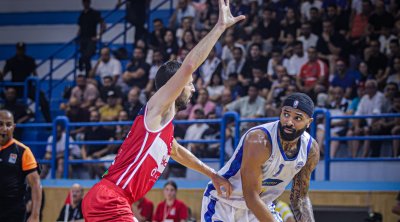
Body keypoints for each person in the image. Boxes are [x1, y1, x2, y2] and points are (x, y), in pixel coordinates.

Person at [82, 2, 245, 221]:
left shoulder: (164, 129)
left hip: (111, 199)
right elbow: (188, 66)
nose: (194, 88)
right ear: (175, 84)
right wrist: (220, 27)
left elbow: (177, 152)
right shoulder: (156, 108)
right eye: (190, 84)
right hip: (110, 198)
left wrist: (213, 175)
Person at [201, 93, 320, 222]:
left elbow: (299, 197)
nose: (289, 122)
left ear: (309, 122)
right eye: (286, 114)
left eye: (297, 118)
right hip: (224, 204)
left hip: (261, 206)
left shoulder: (310, 150)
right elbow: (251, 196)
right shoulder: (259, 140)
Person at [0, 110, 42, 222]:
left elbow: (36, 185)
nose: (4, 128)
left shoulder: (23, 151)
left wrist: (35, 215)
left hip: (13, 212)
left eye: (8, 125)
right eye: (0, 124)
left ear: (13, 127)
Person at [1, 42, 51, 122]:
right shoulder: (11, 61)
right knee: (8, 99)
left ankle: (49, 123)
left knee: (42, 100)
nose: (20, 51)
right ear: (16, 50)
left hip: (28, 87)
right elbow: (3, 74)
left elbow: (35, 75)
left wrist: (36, 86)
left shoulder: (30, 60)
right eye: (19, 49)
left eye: (22, 50)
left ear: (24, 50)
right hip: (15, 88)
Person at [77, 0, 106, 76]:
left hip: (91, 39)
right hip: (83, 40)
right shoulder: (82, 14)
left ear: (89, 2)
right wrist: (77, 37)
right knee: (86, 60)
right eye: (84, 2)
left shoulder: (95, 13)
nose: (85, 3)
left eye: (87, 2)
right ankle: (88, 76)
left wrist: (98, 36)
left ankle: (81, 65)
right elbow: (80, 27)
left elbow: (103, 25)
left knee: (86, 57)